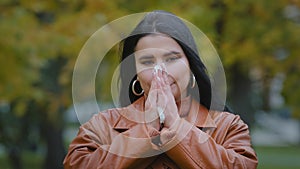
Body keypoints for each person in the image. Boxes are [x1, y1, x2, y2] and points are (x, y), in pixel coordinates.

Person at [64, 10, 258, 169]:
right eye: (147, 61)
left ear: (190, 65)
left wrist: (176, 127)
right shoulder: (102, 126)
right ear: (135, 72)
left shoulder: (229, 127)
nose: (160, 71)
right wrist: (147, 129)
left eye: (172, 59)